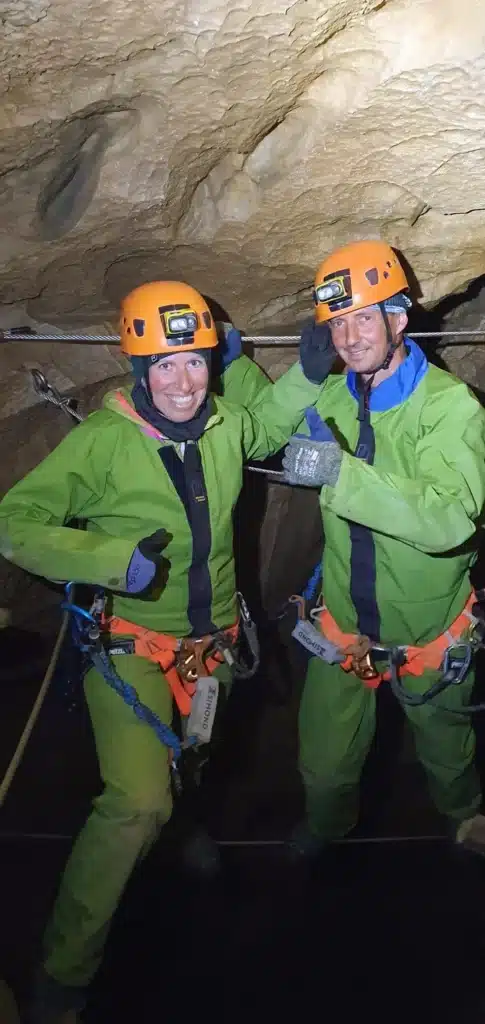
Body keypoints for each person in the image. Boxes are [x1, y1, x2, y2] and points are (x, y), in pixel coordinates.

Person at [0, 280, 329, 1023]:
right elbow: (14, 521)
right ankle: (64, 972)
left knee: (192, 765)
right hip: (132, 650)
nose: (183, 383)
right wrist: (113, 559)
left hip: (211, 651)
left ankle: (186, 832)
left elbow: (269, 426)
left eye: (195, 363)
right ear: (138, 368)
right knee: (136, 801)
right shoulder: (105, 443)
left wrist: (307, 372)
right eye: (165, 366)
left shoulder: (221, 422)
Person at [282, 239, 485, 857]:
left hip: (427, 633)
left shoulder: (448, 408)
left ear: (399, 318)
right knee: (322, 764)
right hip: (344, 626)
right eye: (337, 322)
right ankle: (328, 832)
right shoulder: (335, 394)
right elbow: (254, 429)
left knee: (448, 754)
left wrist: (341, 474)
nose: (348, 336)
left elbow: (450, 518)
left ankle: (467, 822)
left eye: (363, 316)